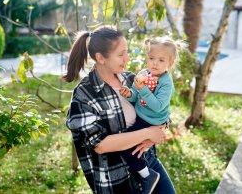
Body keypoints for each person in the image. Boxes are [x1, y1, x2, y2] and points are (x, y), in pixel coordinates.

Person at [64, 27, 177, 194]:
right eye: (121, 54)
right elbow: (100, 145)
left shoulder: (132, 79)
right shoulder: (85, 94)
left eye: (127, 52)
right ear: (100, 58)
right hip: (117, 179)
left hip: (149, 162)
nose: (127, 58)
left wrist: (156, 133)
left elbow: (160, 110)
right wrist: (148, 132)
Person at [119, 37, 178, 193]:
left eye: (161, 60)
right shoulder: (143, 74)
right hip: (141, 118)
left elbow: (158, 107)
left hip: (152, 122)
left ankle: (147, 176)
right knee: (132, 148)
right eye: (151, 58)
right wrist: (128, 93)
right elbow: (135, 97)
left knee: (126, 148)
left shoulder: (166, 82)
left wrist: (143, 89)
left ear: (170, 64)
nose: (155, 63)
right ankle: (143, 173)